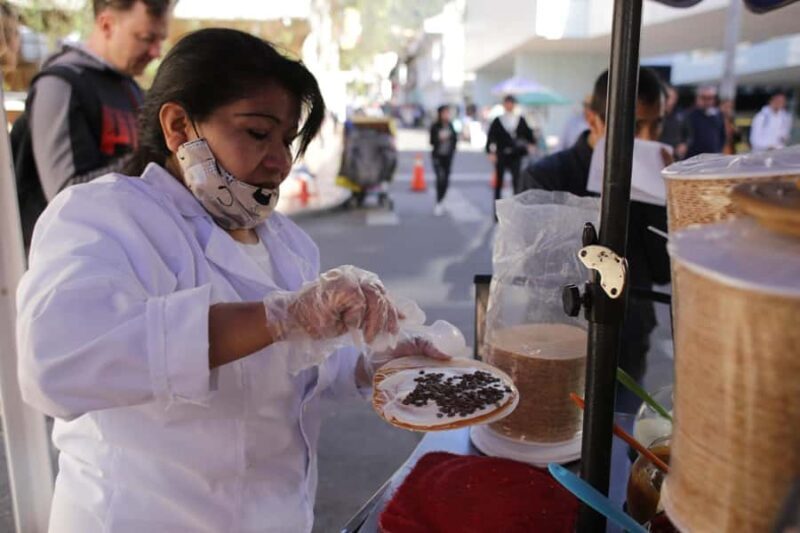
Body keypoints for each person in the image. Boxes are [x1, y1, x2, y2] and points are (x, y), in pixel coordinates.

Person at [16, 29, 449, 532]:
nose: (280, 161)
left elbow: (295, 374)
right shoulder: (104, 214)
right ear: (180, 126)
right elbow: (56, 362)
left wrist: (374, 360)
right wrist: (277, 316)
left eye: (287, 141)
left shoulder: (285, 242)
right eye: (258, 134)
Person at [519, 67, 671, 398]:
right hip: (557, 342)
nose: (646, 139)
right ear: (593, 120)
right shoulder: (546, 177)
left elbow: (661, 271)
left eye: (656, 124)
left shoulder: (656, 181)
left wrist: (667, 197)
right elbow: (539, 271)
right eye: (633, 127)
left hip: (628, 341)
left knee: (623, 436)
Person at [11, 0, 170, 248]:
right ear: (107, 24)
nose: (156, 52)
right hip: (67, 257)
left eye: (160, 40)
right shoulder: (62, 83)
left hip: (119, 250)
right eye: (146, 38)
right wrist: (154, 156)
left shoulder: (132, 89)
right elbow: (65, 194)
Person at [485, 94, 536, 200]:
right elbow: (491, 137)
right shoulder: (498, 120)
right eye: (506, 103)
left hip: (516, 155)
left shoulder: (520, 119)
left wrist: (530, 145)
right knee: (499, 182)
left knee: (516, 181)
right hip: (501, 154)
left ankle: (515, 206)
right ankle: (497, 210)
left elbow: (529, 135)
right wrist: (490, 152)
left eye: (511, 103)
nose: (509, 105)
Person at [682, 85, 726, 158]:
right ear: (698, 98)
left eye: (710, 98)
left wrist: (719, 150)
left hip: (713, 158)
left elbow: (722, 136)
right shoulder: (689, 115)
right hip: (694, 159)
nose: (707, 101)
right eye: (704, 98)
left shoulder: (718, 115)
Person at [429, 104, 458, 215]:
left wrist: (453, 148)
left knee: (446, 179)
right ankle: (438, 201)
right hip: (437, 156)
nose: (446, 115)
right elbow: (431, 141)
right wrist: (439, 138)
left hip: (448, 156)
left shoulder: (450, 125)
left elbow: (455, 139)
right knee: (440, 178)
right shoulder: (435, 126)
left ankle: (442, 199)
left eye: (447, 113)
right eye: (444, 113)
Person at [659, 85, 686, 160]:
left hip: (675, 154)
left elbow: (688, 134)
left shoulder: (681, 115)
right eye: (666, 97)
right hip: (659, 152)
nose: (668, 100)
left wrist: (684, 144)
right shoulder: (656, 114)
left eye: (671, 97)